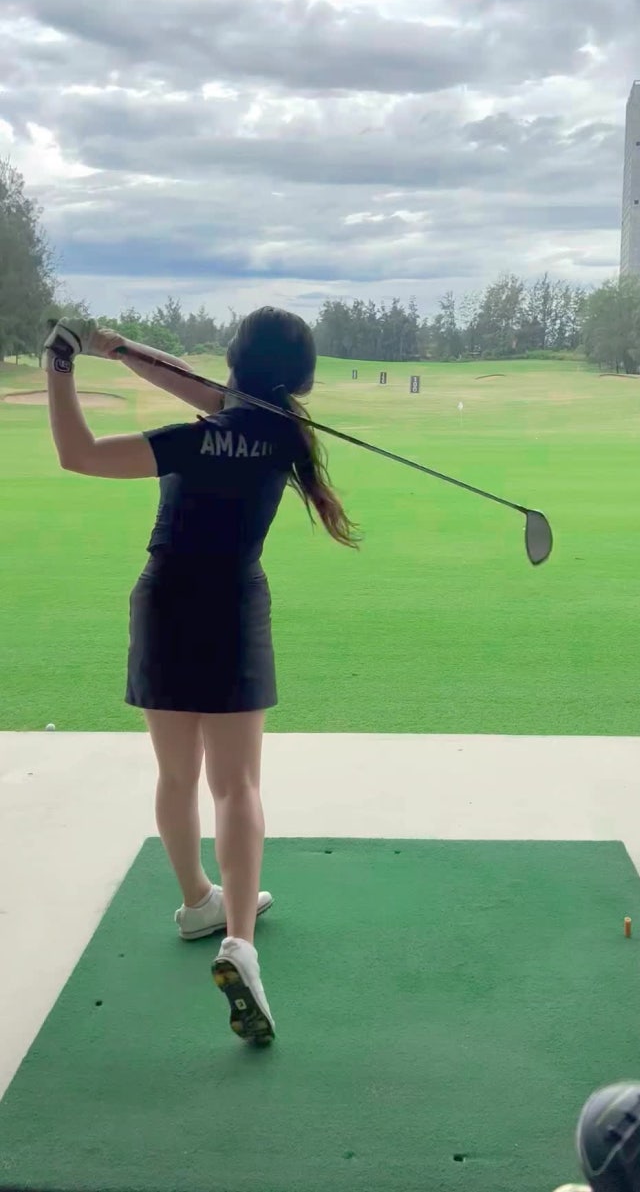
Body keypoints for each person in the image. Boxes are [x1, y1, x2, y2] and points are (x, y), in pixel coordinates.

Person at [43, 307, 359, 1046]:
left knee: (177, 774)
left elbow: (78, 454)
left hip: (165, 602)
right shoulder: (287, 434)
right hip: (234, 605)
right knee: (237, 784)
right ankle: (236, 939)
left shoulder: (190, 439)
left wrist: (64, 361)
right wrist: (119, 348)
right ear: (300, 376)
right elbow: (198, 387)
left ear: (235, 363)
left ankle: (194, 901)